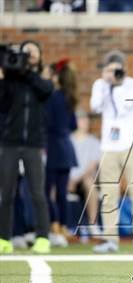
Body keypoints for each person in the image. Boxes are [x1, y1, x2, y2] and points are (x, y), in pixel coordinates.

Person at [90, 50, 133, 253]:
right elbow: (95, 107)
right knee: (108, 193)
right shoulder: (100, 85)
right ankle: (110, 239)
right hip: (109, 146)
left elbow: (124, 107)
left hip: (132, 144)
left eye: (116, 69)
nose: (113, 73)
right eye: (109, 69)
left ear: (123, 68)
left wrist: (116, 86)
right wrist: (106, 85)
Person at [0, 40, 54, 254]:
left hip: (33, 144)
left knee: (38, 194)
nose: (29, 55)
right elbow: (2, 105)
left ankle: (43, 237)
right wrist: (4, 77)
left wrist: (27, 71)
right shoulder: (11, 81)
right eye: (26, 52)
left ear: (39, 56)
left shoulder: (41, 80)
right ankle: (4, 238)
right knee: (6, 194)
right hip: (10, 143)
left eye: (34, 51)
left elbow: (46, 91)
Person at [45, 58, 79, 247]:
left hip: (53, 148)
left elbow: (46, 122)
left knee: (45, 191)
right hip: (66, 148)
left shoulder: (52, 96)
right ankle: (64, 227)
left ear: (56, 77)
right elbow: (73, 125)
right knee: (61, 193)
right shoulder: (68, 97)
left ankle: (56, 228)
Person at [68, 109, 102, 238]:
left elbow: (92, 166)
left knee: (90, 184)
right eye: (82, 119)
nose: (86, 122)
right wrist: (69, 180)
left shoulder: (94, 142)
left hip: (83, 178)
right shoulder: (68, 140)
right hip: (67, 178)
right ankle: (59, 226)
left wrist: (76, 180)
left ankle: (93, 225)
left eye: (86, 119)